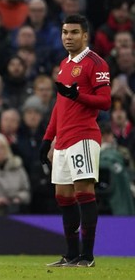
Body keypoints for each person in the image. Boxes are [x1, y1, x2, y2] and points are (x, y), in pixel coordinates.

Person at [40, 14, 111, 268]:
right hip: (62, 140)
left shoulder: (96, 63)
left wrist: (78, 95)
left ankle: (88, 256)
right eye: (64, 32)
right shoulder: (64, 64)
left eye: (73, 32)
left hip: (83, 136)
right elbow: (59, 107)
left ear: (85, 35)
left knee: (84, 192)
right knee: (63, 196)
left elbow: (105, 101)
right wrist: (47, 139)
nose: (67, 37)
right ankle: (70, 255)